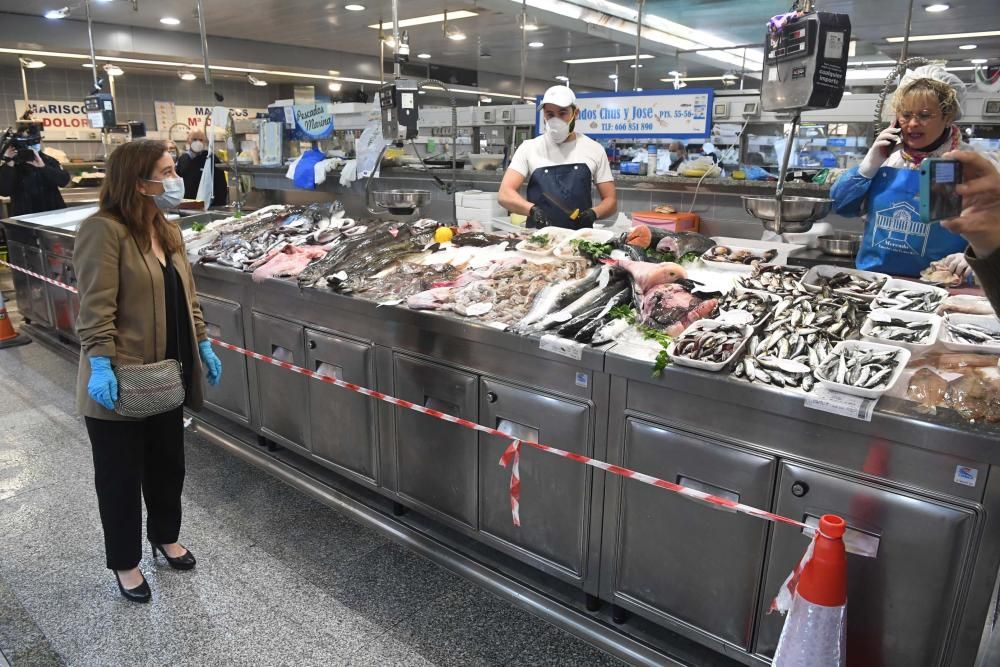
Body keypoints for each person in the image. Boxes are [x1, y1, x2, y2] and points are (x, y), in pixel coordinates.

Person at [73, 140, 222, 603]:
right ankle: (124, 561)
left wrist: (202, 340)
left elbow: (188, 297)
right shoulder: (104, 231)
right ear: (138, 180)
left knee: (166, 468)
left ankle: (165, 535)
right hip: (122, 377)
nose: (175, 179)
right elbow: (95, 306)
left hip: (167, 374)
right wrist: (100, 362)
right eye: (167, 170)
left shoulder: (168, 229)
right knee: (118, 476)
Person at [830, 65, 999, 278]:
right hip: (875, 282)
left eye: (925, 115)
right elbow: (841, 206)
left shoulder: (971, 163)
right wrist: (869, 165)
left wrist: (979, 253)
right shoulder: (887, 159)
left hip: (940, 285)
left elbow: (993, 222)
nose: (912, 124)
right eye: (906, 114)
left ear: (948, 116)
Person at [498, 86, 616, 229]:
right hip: (538, 241)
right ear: (544, 115)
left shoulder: (594, 149)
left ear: (576, 113)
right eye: (550, 114)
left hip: (579, 239)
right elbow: (505, 194)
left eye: (562, 113)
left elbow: (611, 201)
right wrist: (532, 210)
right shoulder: (529, 148)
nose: (556, 120)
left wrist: (594, 213)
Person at [941, 150, 1000, 311]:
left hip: (956, 282)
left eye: (926, 121)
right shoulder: (887, 157)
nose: (913, 124)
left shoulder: (978, 160)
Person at [0, 122, 70, 216]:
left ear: (40, 141)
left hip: (53, 214)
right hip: (24, 218)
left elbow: (64, 181)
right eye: (24, 143)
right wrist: (9, 163)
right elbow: (4, 191)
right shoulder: (11, 165)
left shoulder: (48, 161)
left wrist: (43, 167)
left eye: (33, 142)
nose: (29, 146)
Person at [175, 129, 228, 207]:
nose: (197, 142)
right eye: (194, 139)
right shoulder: (183, 159)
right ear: (188, 141)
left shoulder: (210, 158)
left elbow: (221, 184)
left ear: (205, 142)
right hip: (187, 203)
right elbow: (178, 182)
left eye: (200, 140)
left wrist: (219, 204)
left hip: (208, 204)